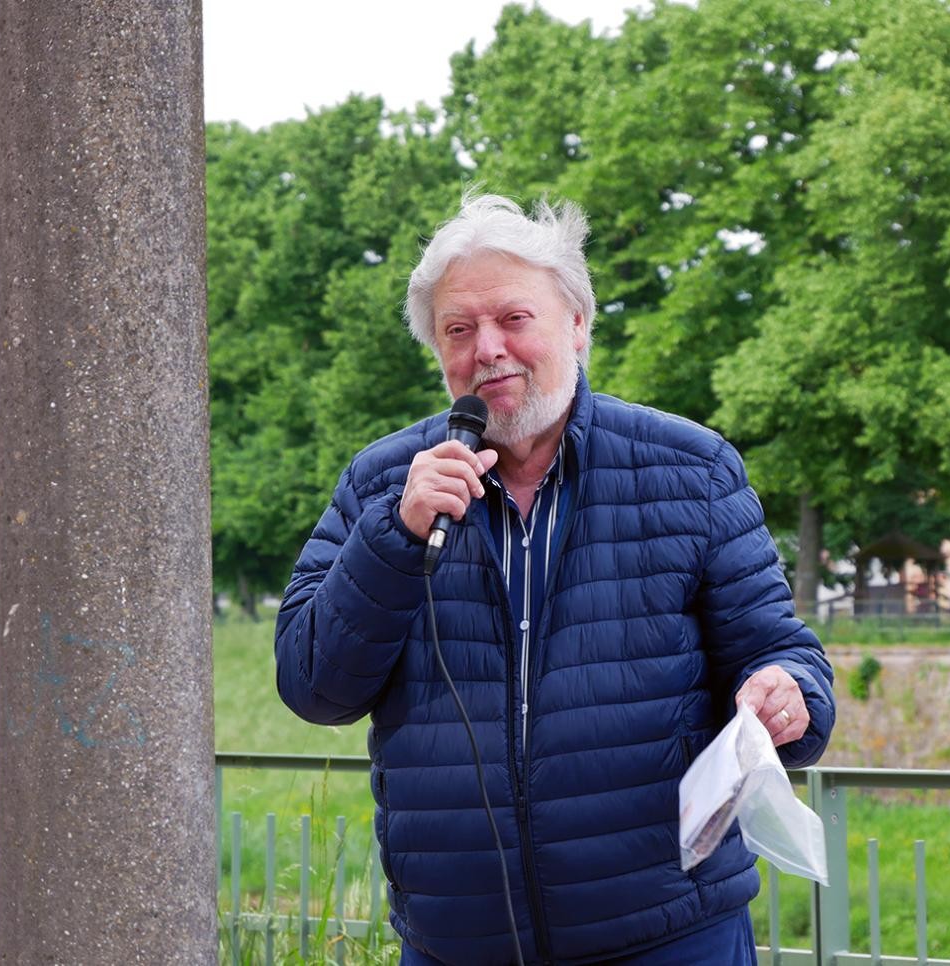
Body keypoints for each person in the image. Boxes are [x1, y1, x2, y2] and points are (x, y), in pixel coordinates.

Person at [275, 193, 836, 965]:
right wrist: (393, 539)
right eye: (459, 330)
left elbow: (784, 653)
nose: (488, 351)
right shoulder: (382, 485)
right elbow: (313, 686)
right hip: (458, 944)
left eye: (514, 319)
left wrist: (788, 693)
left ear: (576, 323)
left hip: (669, 934)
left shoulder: (693, 470)